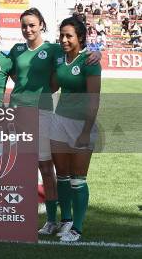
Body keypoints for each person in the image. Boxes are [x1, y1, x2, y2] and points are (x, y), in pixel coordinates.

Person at [50, 16, 101, 242]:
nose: (64, 39)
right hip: (59, 121)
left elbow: (94, 99)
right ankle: (66, 220)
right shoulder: (60, 59)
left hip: (82, 124)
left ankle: (77, 228)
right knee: (61, 176)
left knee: (77, 179)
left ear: (80, 37)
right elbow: (53, 85)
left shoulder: (89, 61)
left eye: (69, 35)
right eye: (62, 35)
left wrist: (86, 130)